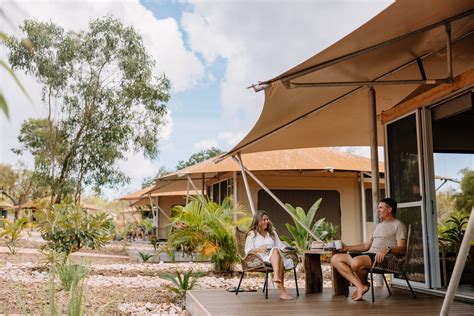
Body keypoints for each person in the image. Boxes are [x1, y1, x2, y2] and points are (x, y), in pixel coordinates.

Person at [330, 198, 407, 301]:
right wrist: (347, 247)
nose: (378, 210)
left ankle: (362, 285)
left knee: (356, 262)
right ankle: (361, 285)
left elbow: (402, 249)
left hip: (384, 258)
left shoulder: (398, 225)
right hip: (370, 255)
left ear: (389, 209)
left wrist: (388, 249)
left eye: (381, 208)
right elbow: (366, 246)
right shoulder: (378, 226)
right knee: (335, 258)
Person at [245, 210, 294, 300]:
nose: (266, 221)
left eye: (267, 219)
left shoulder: (272, 233)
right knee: (277, 255)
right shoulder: (252, 234)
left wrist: (289, 248)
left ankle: (276, 277)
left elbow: (280, 246)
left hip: (274, 257)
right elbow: (247, 251)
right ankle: (282, 292)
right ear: (258, 221)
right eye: (264, 220)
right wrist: (259, 249)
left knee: (276, 250)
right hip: (260, 259)